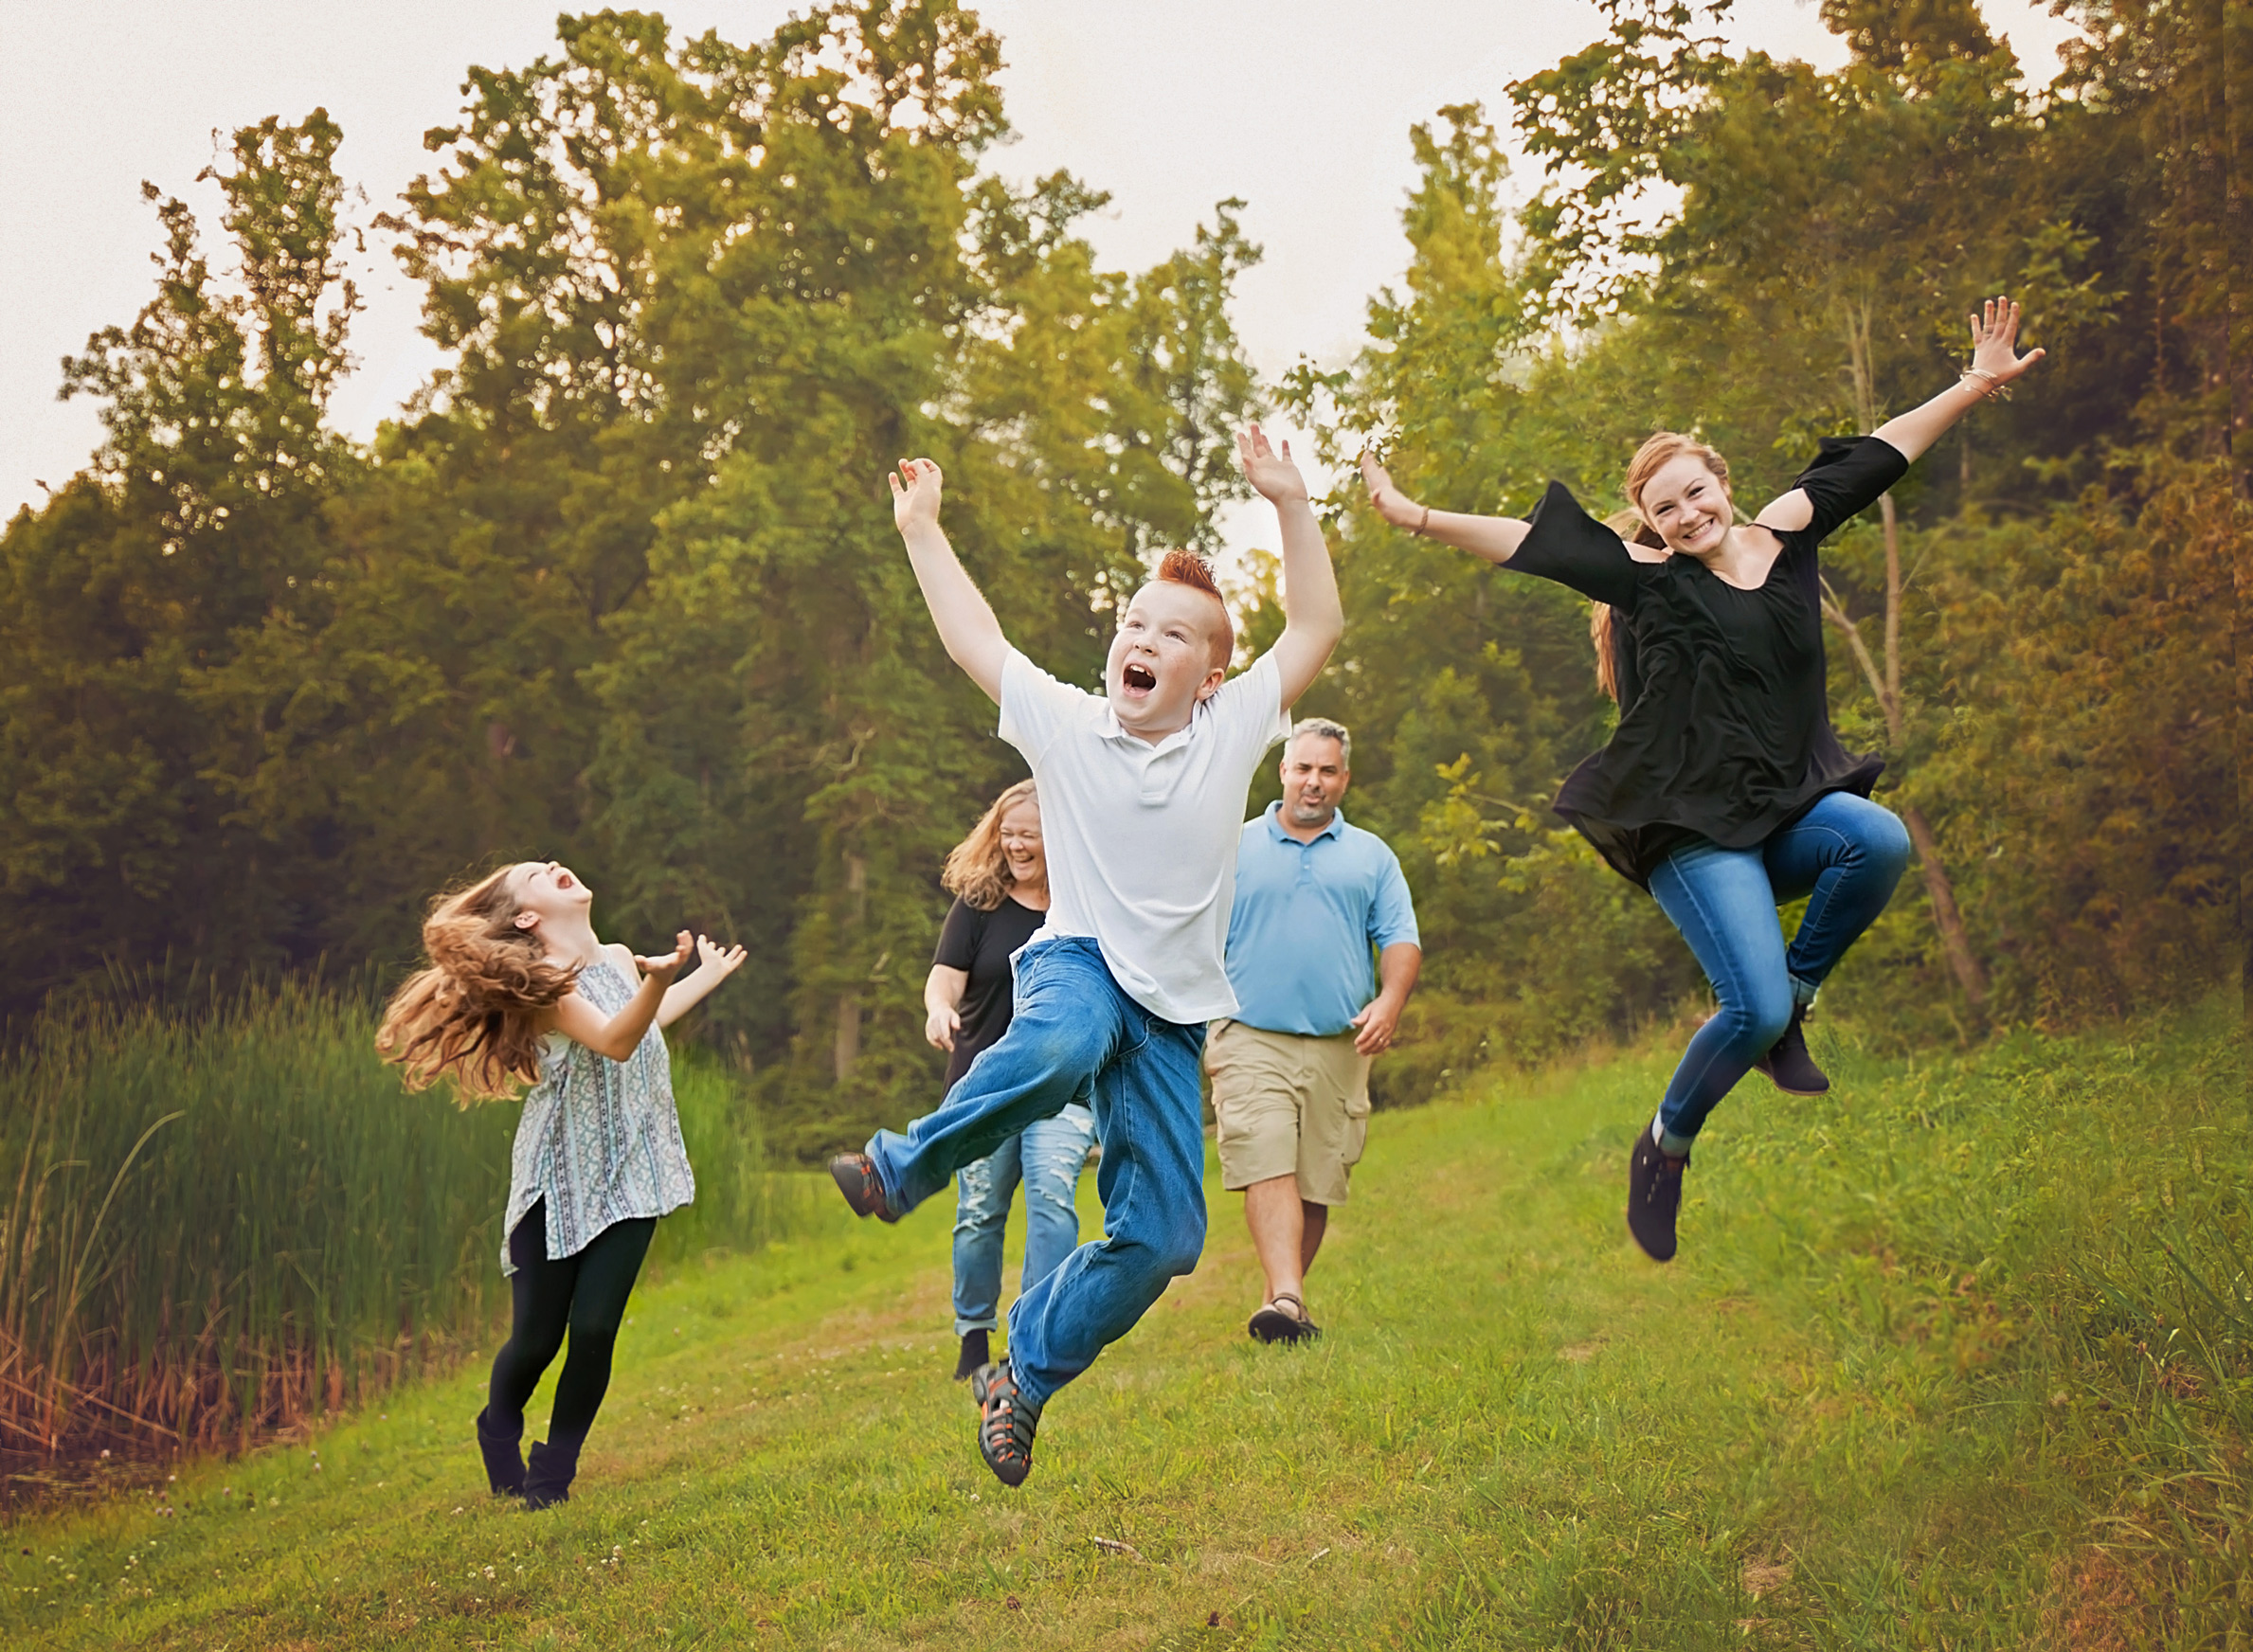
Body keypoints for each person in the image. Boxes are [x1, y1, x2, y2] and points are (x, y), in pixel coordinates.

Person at [1359, 297, 2046, 1264]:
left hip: (1783, 811)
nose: (1686, 515)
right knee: (1746, 1005)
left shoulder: (1788, 532)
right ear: (1648, 525)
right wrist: (1413, 515)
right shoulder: (1652, 584)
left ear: (1721, 478)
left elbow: (1884, 451)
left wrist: (1973, 382)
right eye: (1663, 510)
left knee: (1876, 839)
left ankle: (1796, 1000)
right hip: (1690, 833)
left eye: (1694, 493)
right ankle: (1663, 1144)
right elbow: (1529, 543)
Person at [827, 423, 1343, 1487]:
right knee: (1059, 1046)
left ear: (1207, 675)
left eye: (1170, 633)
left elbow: (1316, 621)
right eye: (1131, 622)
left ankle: (1021, 1370)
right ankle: (900, 1164)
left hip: (1170, 1018)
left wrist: (1290, 503)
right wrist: (922, 530)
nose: (1139, 638)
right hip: (1080, 967)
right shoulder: (1065, 726)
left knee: (1163, 1240)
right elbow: (974, 638)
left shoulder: (1233, 725)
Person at [376, 860, 746, 1508]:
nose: (555, 865)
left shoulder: (621, 957)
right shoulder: (543, 986)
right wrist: (658, 983)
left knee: (596, 1330)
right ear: (526, 917)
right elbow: (613, 1041)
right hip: (556, 1183)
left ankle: (553, 1475)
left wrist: (698, 978)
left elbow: (640, 1025)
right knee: (537, 1340)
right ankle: (497, 1427)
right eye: (536, 875)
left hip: (636, 1171)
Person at [1209, 717, 1420, 1344]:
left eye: (1328, 771)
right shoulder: (1234, 846)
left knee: (1316, 1178)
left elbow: (1400, 938)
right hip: (1249, 1033)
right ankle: (1287, 1295)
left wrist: (1389, 1001)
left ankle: (1284, 1304)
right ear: (1282, 772)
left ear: (1344, 779)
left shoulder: (1370, 857)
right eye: (1303, 768)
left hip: (1340, 1043)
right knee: (1265, 1151)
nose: (1314, 781)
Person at [924, 780, 1099, 1382]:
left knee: (1052, 1199)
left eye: (1029, 834)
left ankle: (1032, 1336)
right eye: (1008, 833)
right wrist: (938, 1009)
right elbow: (944, 978)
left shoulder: (1081, 904)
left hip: (1063, 1085)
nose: (1016, 845)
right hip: (987, 1084)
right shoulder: (979, 903)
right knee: (980, 1210)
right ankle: (973, 1336)